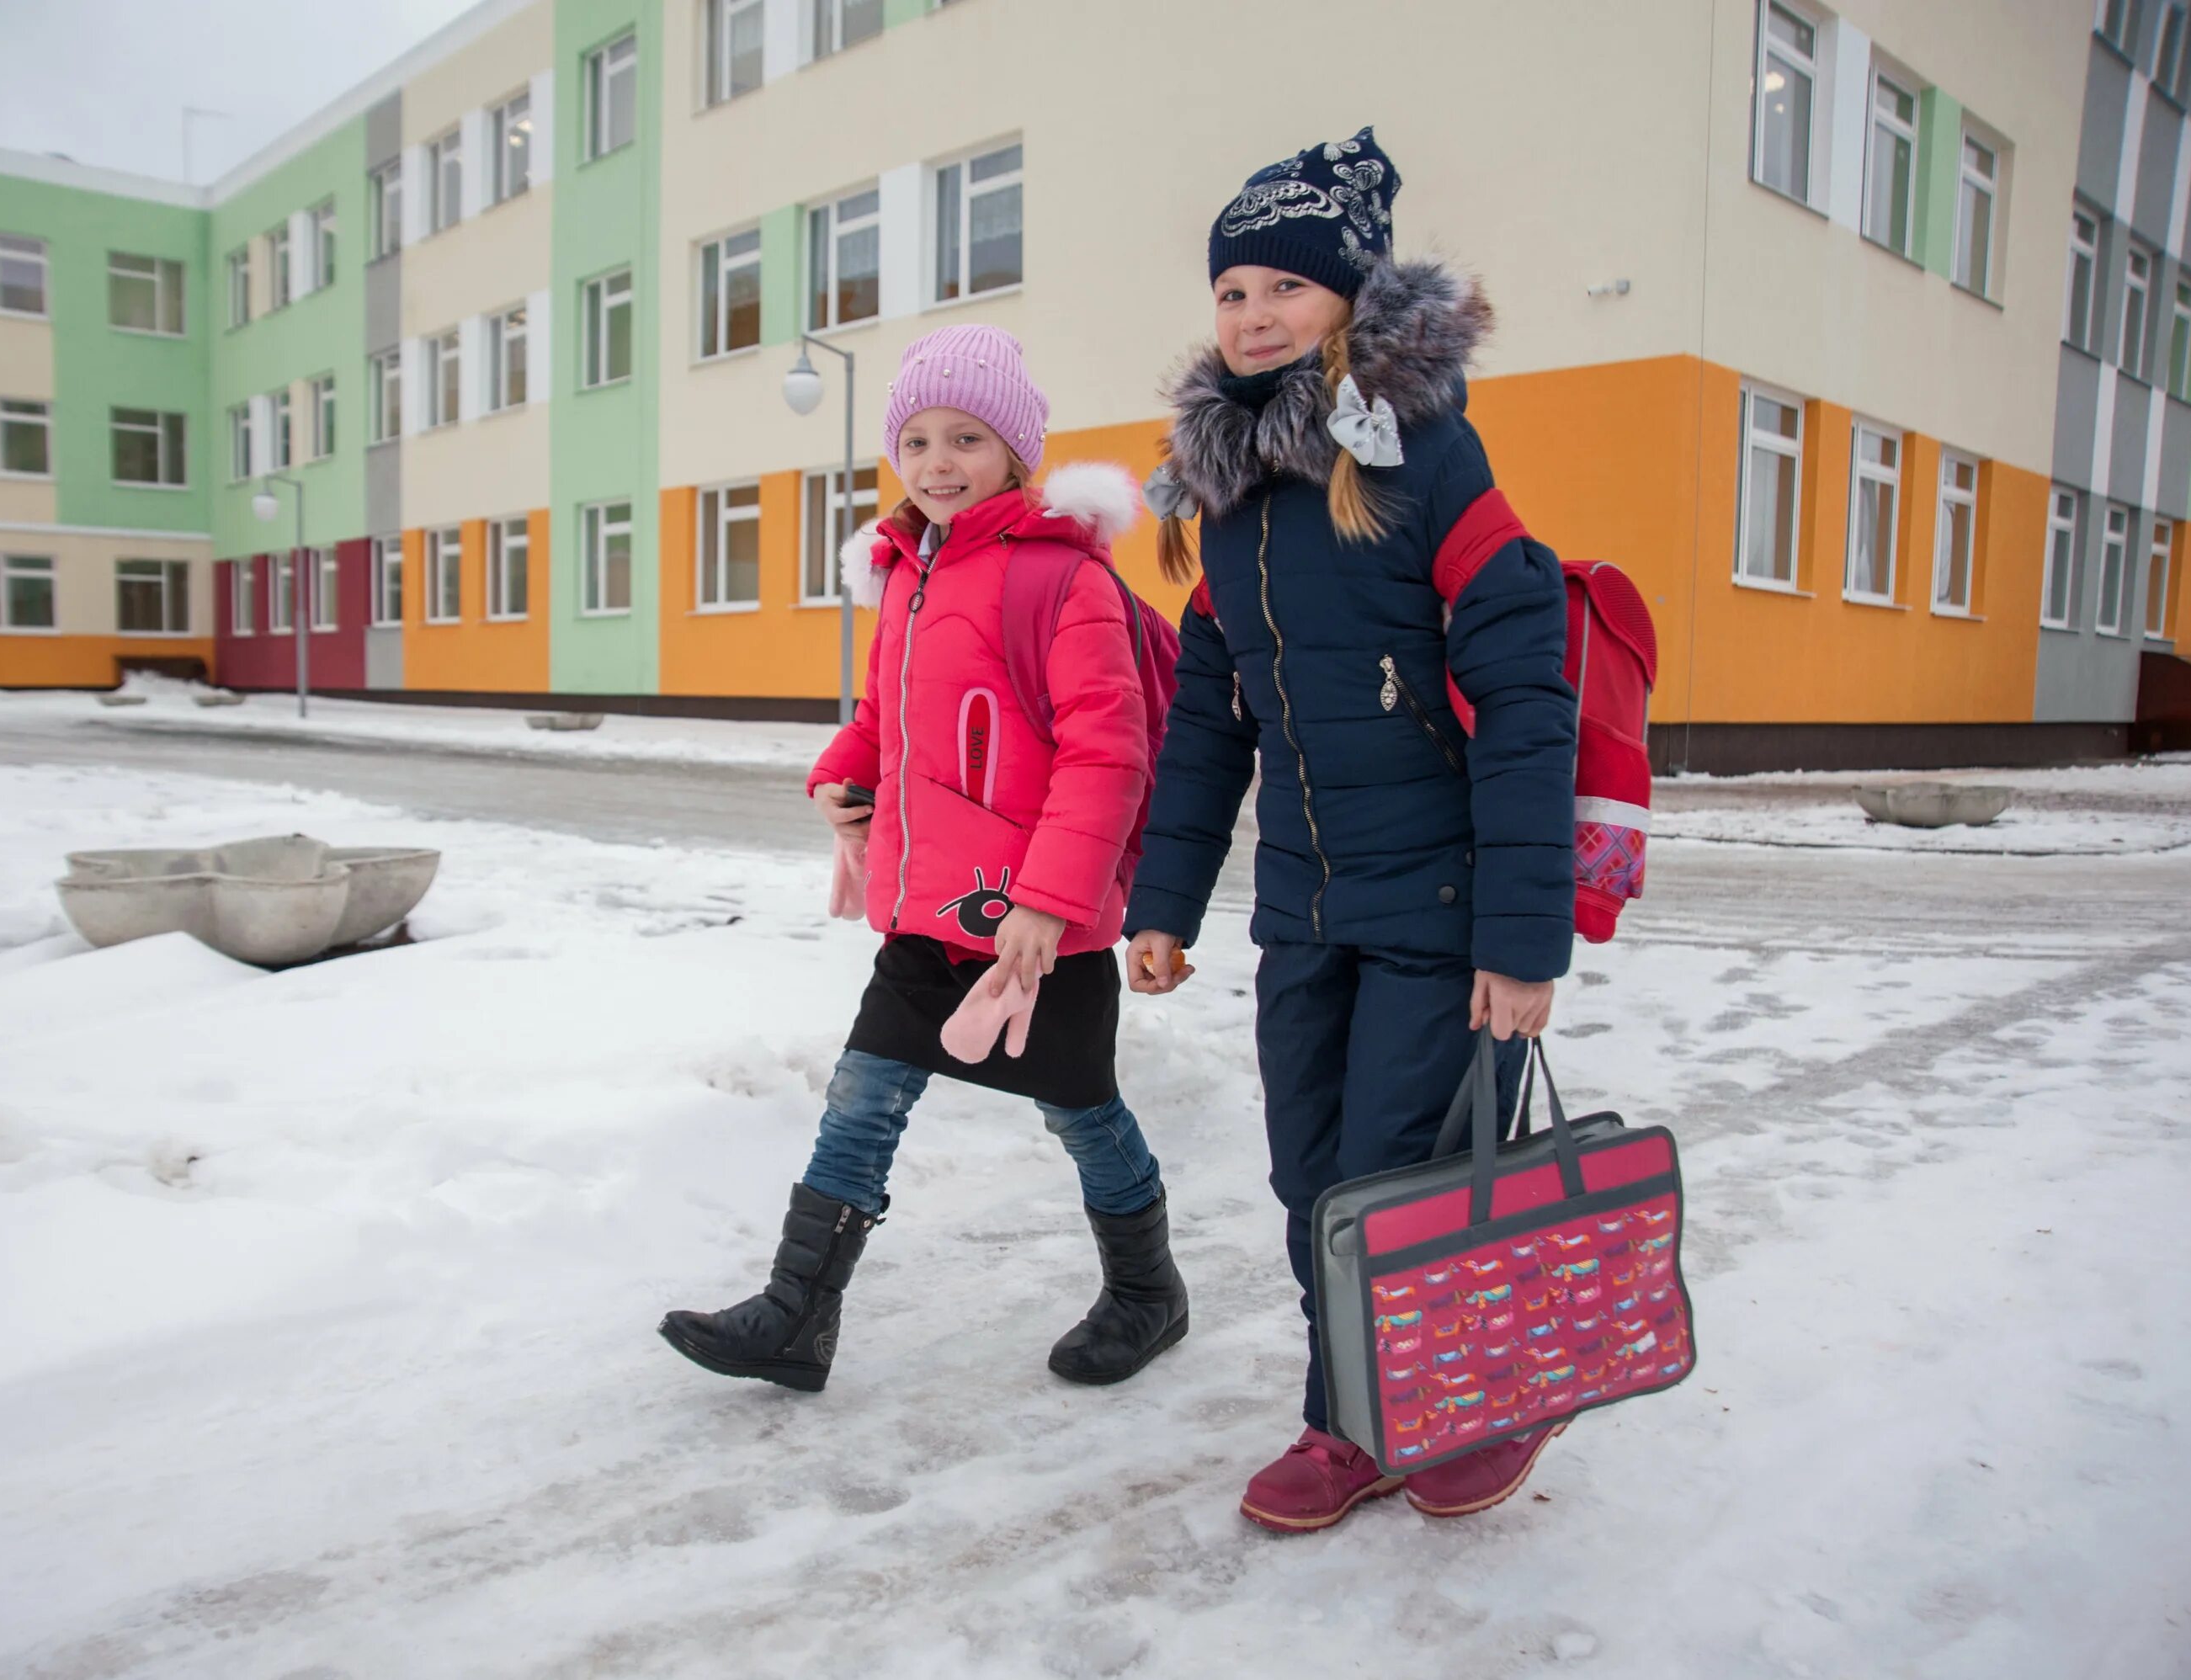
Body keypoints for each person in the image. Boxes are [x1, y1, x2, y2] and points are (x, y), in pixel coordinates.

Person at [1125, 127, 1578, 1528]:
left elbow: (1523, 700)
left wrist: (1522, 939)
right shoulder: (1235, 496)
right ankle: (1384, 1411)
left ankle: (1404, 1415)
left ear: (1352, 298)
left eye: (1284, 287)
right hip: (1309, 907)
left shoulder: (1428, 458)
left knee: (1399, 1177)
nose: (1253, 314)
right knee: (1312, 1177)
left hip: (1443, 912)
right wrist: (1164, 903)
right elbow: (1210, 722)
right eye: (1230, 291)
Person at [661, 324, 1189, 1396]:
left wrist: (1048, 901)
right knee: (862, 1093)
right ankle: (797, 1312)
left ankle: (1147, 1291)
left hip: (1034, 919)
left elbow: (1107, 749)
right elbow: (884, 718)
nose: (938, 461)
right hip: (926, 907)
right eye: (916, 438)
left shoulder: (1058, 580)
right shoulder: (906, 571)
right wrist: (837, 772)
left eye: (967, 438)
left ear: (1015, 453)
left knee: (1081, 1110)